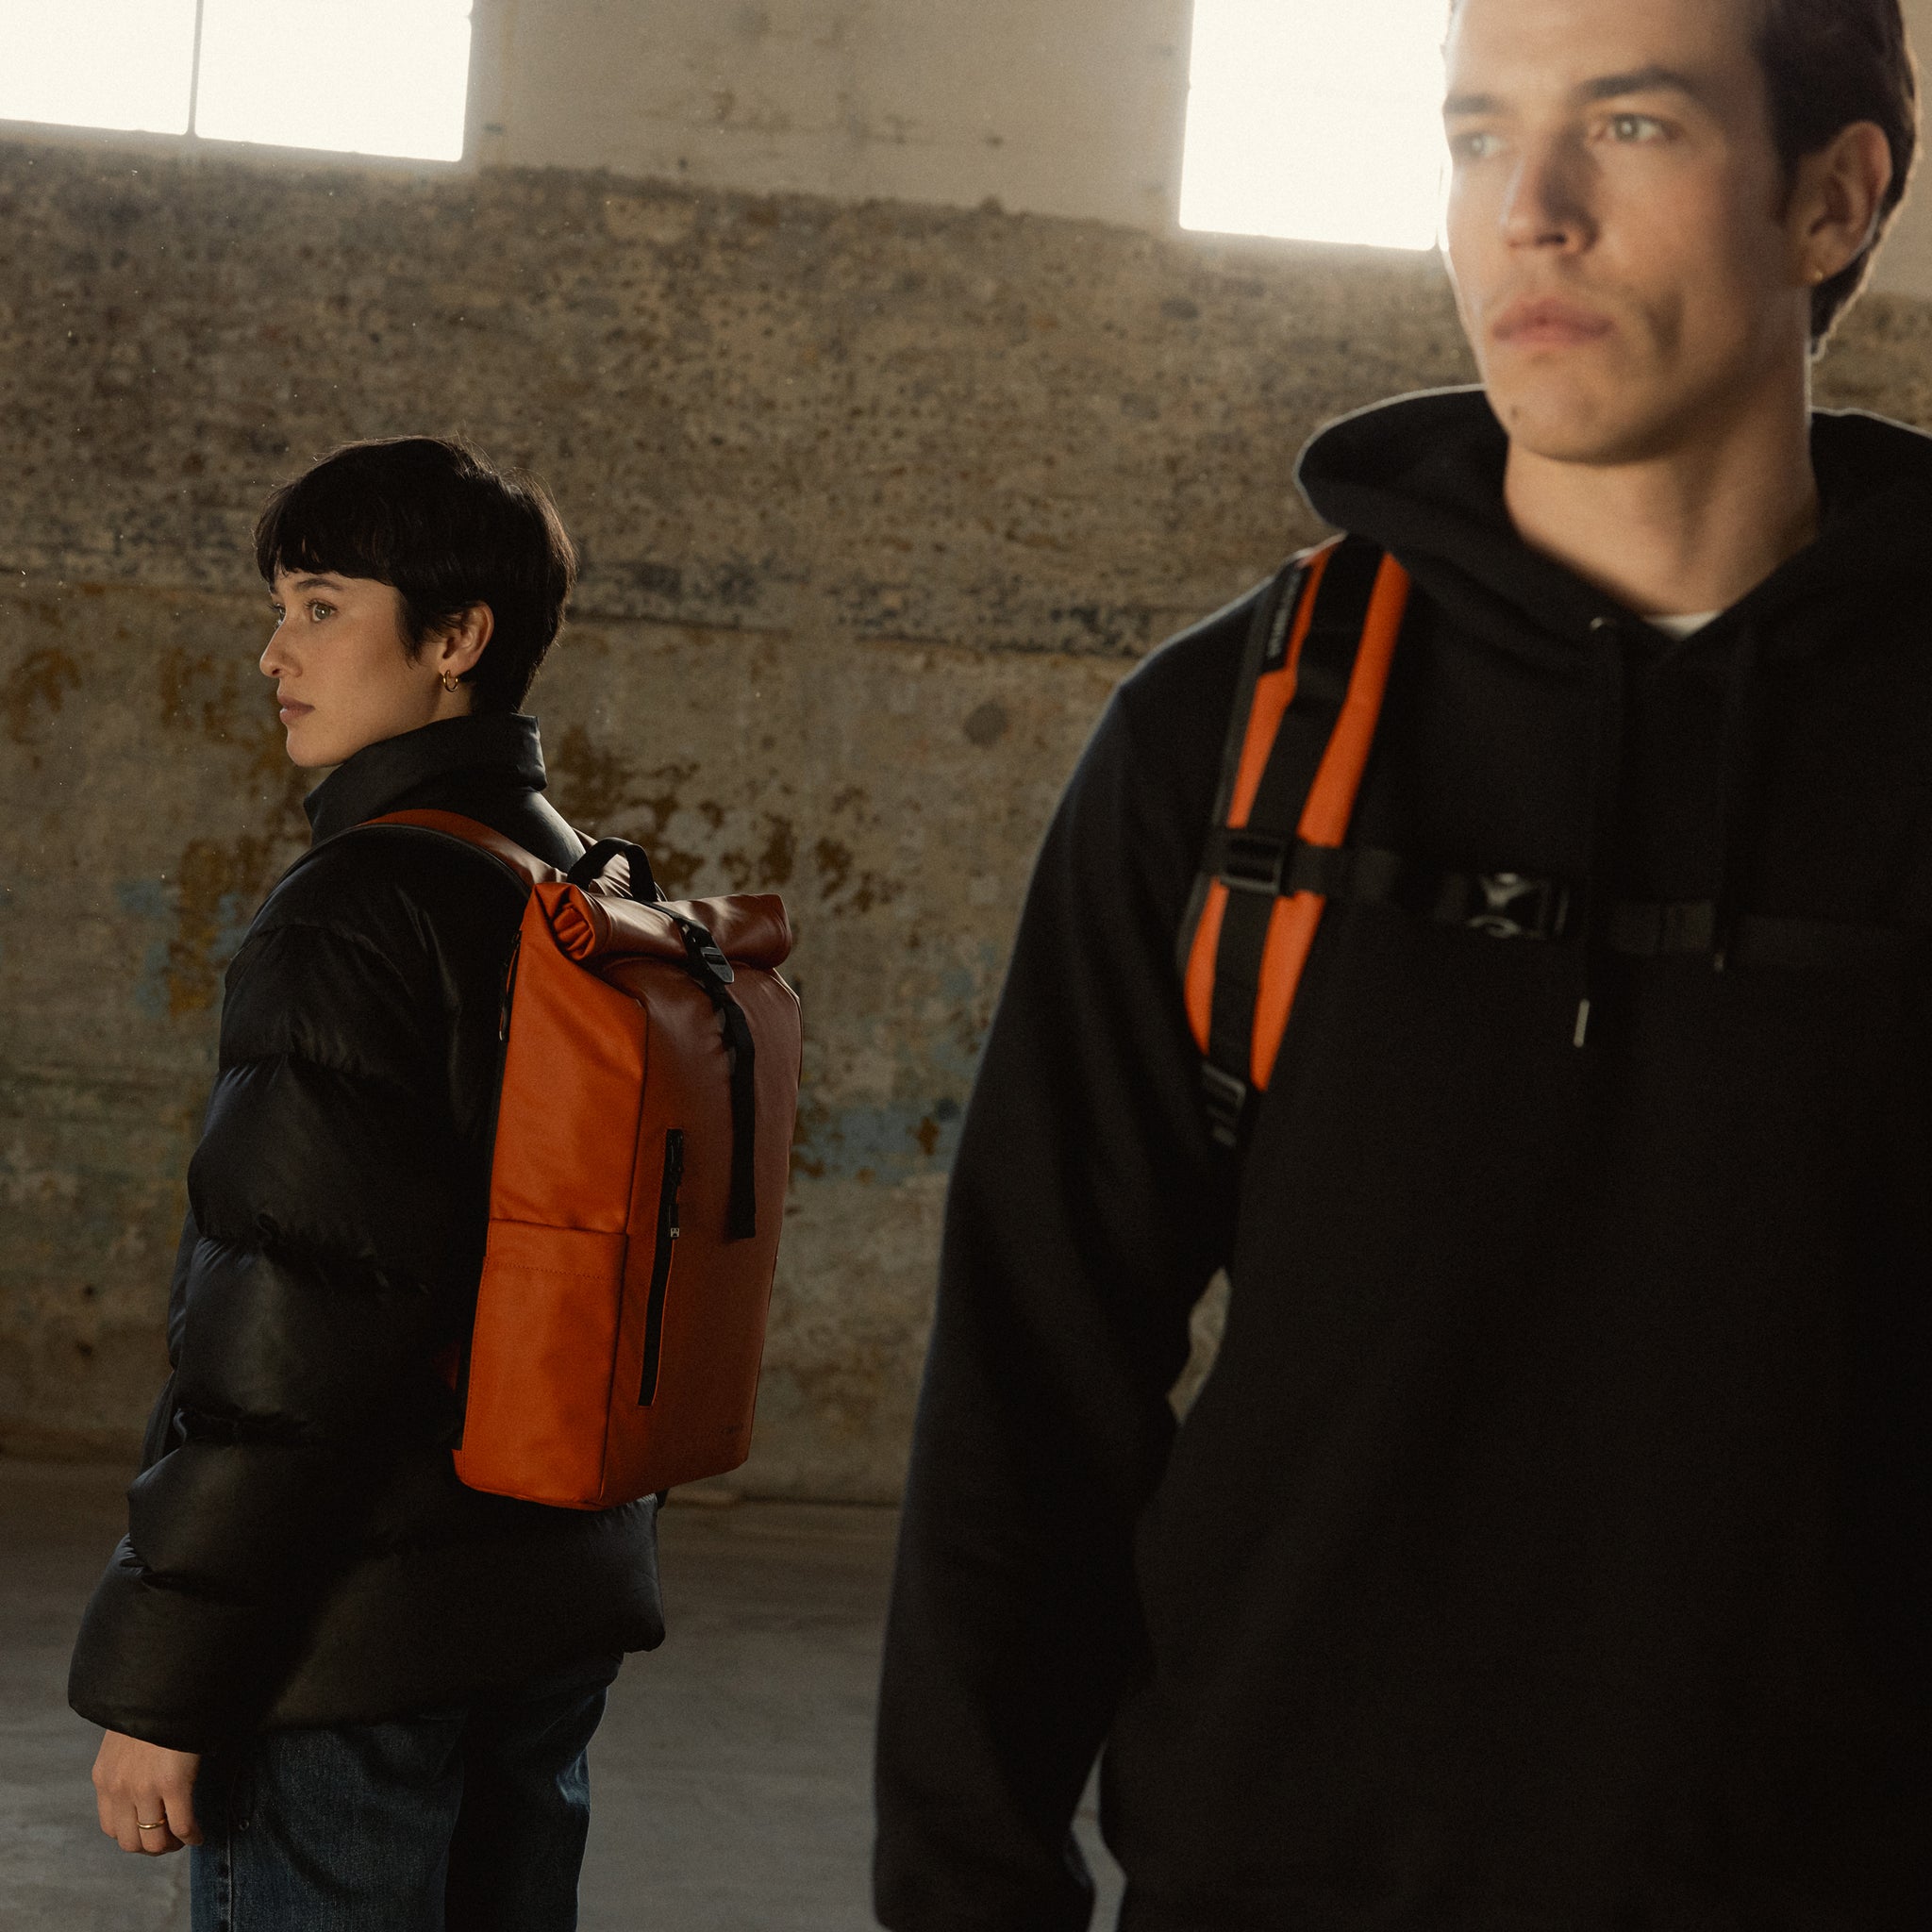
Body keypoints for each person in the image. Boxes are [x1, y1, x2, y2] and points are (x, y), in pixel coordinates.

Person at [874, 0, 1932, 1925]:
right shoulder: (1234, 740)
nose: (1523, 210)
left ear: (1831, 197)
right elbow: (1031, 1394)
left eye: (1625, 128)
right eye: (1471, 137)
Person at [69, 436, 662, 1931]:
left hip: (354, 1648)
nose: (276, 649)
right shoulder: (576, 884)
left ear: (455, 641)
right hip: (540, 1608)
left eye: (323, 604)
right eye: (281, 603)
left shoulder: (362, 907)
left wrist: (168, 1685)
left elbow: (288, 1338)